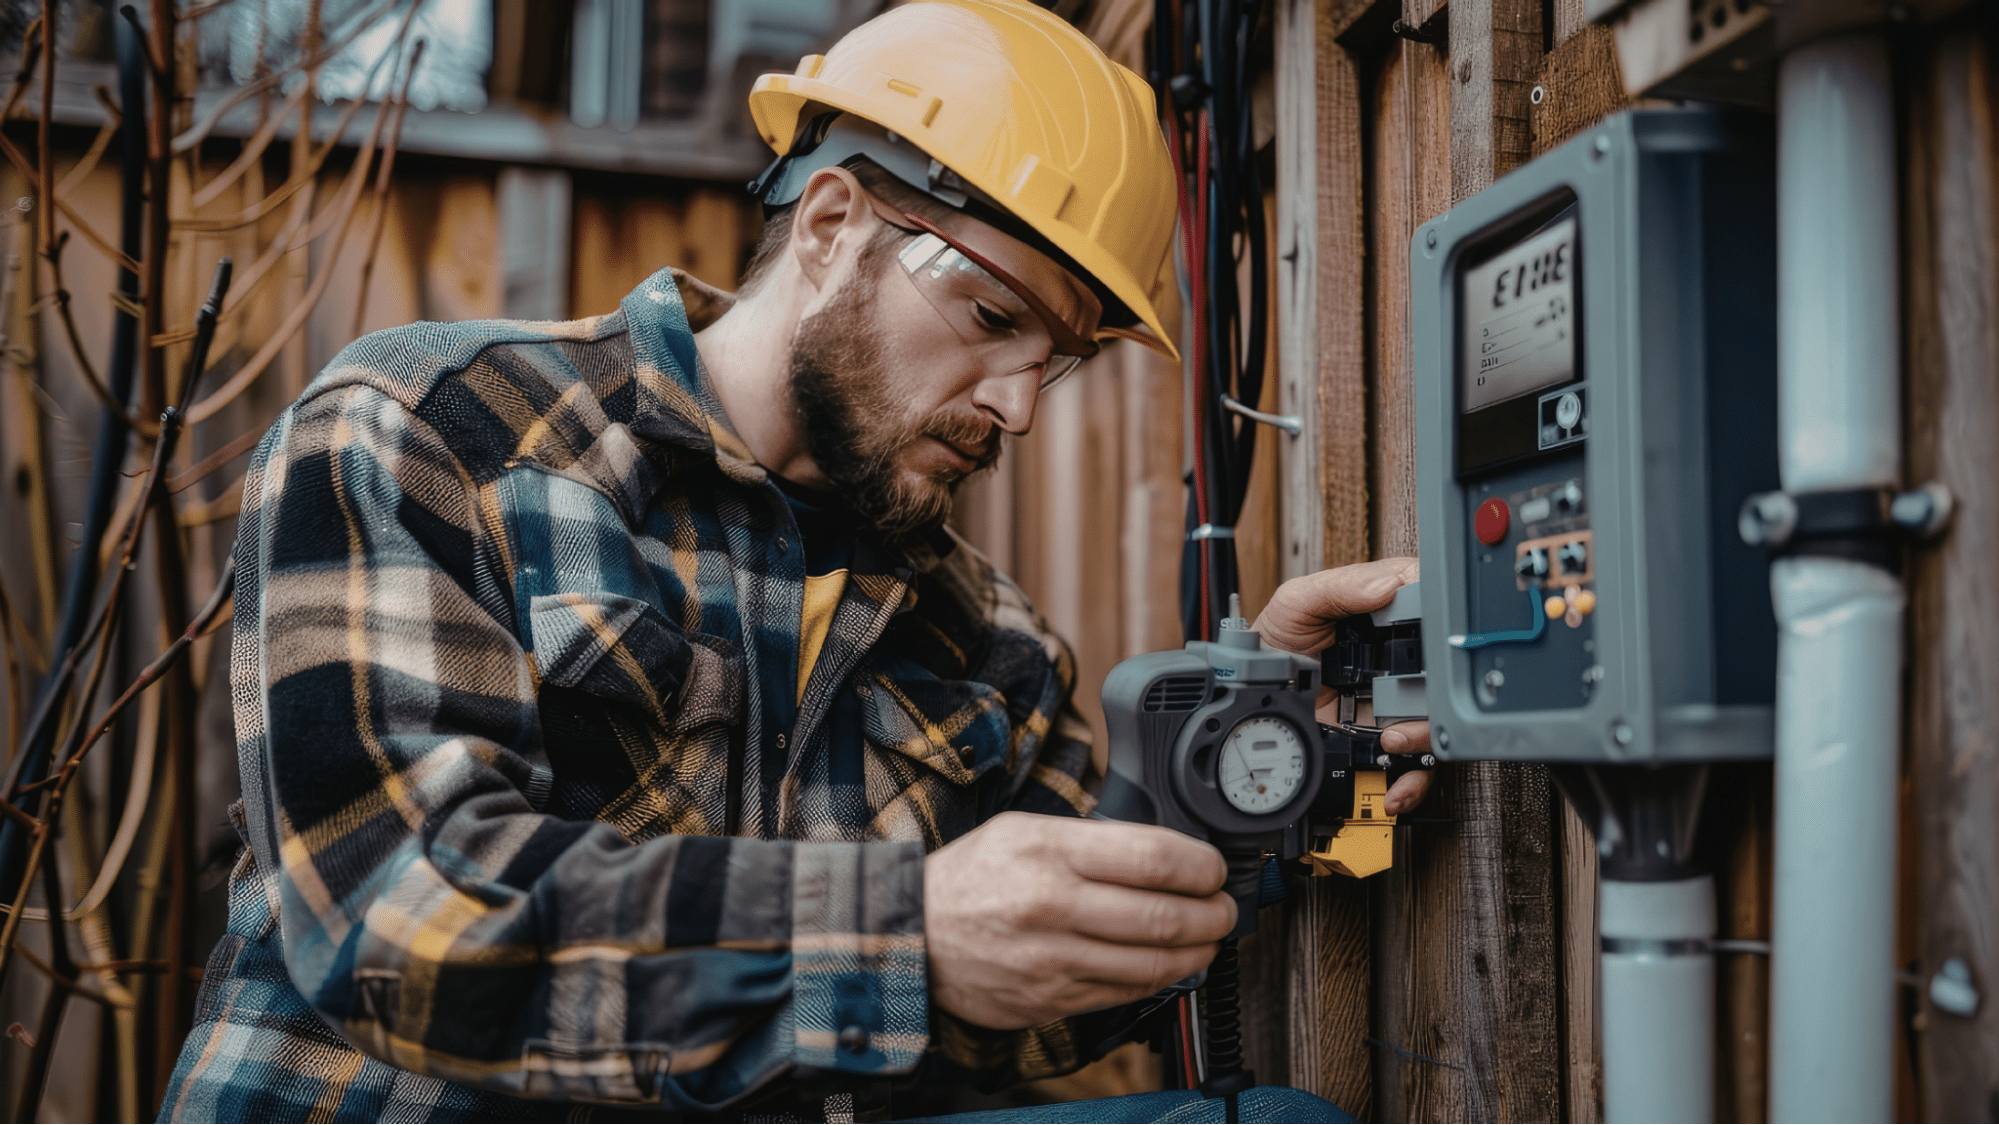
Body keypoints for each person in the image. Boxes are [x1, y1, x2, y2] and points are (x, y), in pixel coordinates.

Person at [159, 1, 1432, 1121]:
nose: (1021, 408)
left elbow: (1044, 1002)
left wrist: (1253, 750)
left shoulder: (985, 638)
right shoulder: (434, 430)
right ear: (830, 220)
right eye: (994, 319)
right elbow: (401, 923)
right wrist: (906, 937)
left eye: (1056, 358)